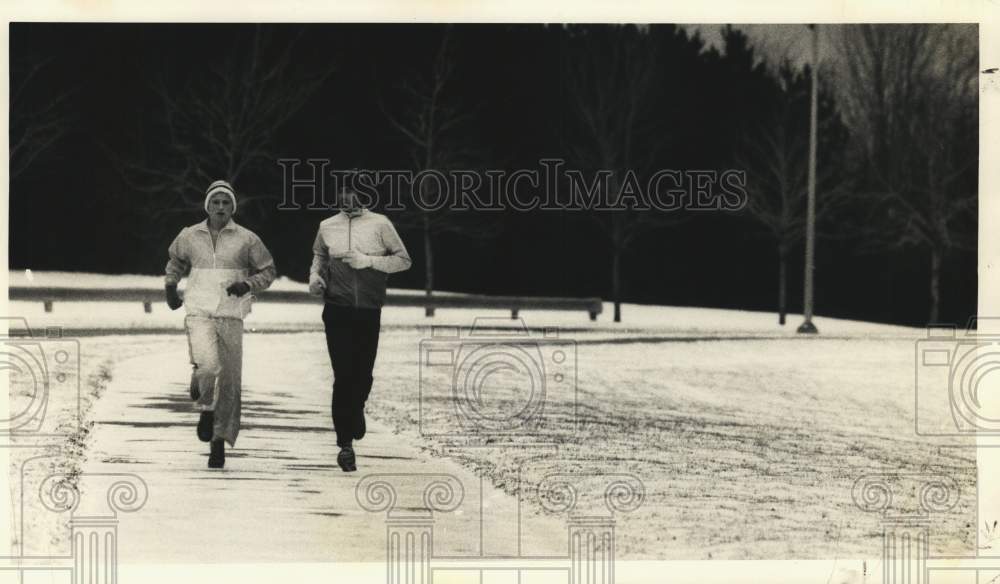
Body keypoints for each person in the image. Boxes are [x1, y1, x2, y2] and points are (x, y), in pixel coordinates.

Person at [164, 180, 276, 469]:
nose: (221, 208)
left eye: (226, 203)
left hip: (231, 313)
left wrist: (248, 284)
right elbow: (175, 260)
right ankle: (205, 406)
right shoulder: (190, 236)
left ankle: (218, 442)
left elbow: (268, 270)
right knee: (209, 366)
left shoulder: (247, 239)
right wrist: (170, 285)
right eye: (216, 202)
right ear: (208, 206)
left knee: (229, 381)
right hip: (198, 311)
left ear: (232, 207)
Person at [309, 188, 411, 472]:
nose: (347, 201)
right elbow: (319, 256)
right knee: (342, 375)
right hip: (336, 307)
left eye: (353, 196)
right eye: (342, 196)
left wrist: (370, 261)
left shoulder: (380, 224)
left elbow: (404, 260)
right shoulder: (327, 226)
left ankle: (356, 408)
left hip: (368, 309)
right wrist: (315, 278)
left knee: (362, 374)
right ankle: (345, 445)